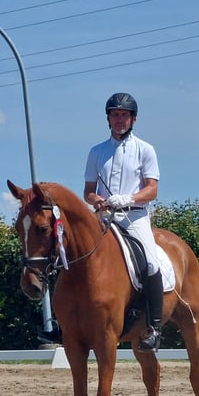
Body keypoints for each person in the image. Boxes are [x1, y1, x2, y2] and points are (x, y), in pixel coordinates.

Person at [83, 92, 163, 352]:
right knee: (73, 255)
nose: (119, 119)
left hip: (134, 216)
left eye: (124, 115)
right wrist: (97, 201)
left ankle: (154, 328)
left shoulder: (145, 149)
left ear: (133, 119)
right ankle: (64, 321)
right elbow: (88, 191)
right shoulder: (96, 152)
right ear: (108, 118)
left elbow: (152, 190)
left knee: (150, 262)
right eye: (115, 115)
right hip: (105, 218)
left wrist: (127, 198)